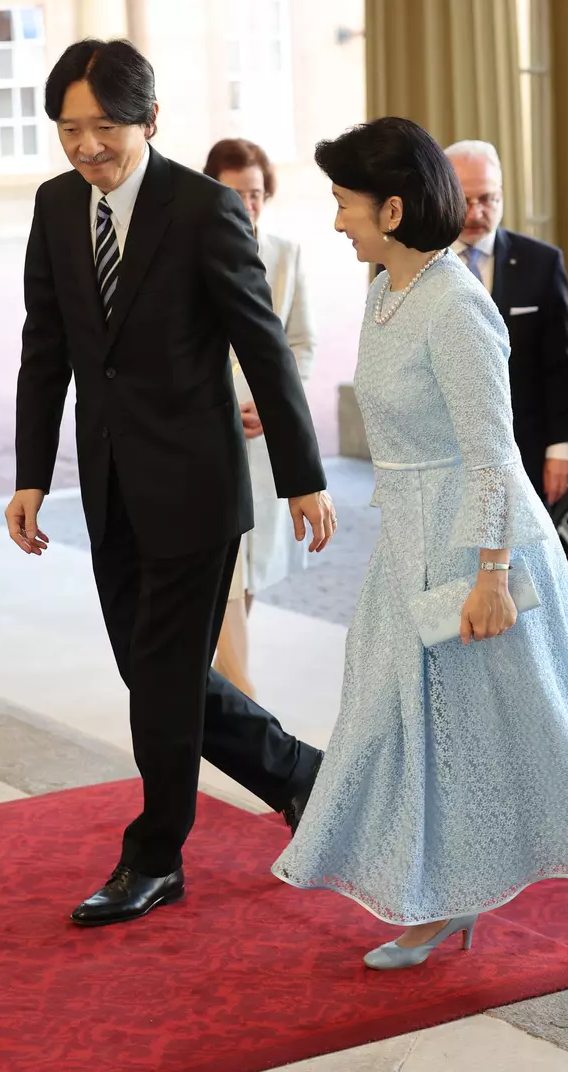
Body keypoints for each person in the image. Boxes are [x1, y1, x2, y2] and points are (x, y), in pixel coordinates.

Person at [273, 117, 568, 972]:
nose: (337, 221)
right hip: (408, 533)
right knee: (405, 726)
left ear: (395, 208)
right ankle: (442, 901)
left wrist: (490, 573)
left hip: (480, 548)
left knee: (536, 729)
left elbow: (494, 449)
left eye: (346, 204)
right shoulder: (385, 289)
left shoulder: (455, 304)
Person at [5, 39, 336, 927]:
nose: (85, 148)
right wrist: (31, 474)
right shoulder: (54, 205)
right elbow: (47, 350)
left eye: (103, 128)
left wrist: (303, 478)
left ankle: (154, 854)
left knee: (159, 673)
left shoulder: (202, 208)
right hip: (109, 485)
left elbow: (263, 344)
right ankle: (300, 773)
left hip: (194, 484)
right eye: (70, 130)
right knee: (153, 669)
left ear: (150, 120)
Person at [203, 138, 317, 699]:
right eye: (235, 194)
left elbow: (302, 344)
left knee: (249, 570)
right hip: (207, 437)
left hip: (263, 437)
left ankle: (217, 688)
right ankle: (244, 697)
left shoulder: (285, 253)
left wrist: (275, 406)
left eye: (255, 194)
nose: (247, 205)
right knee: (225, 568)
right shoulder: (191, 253)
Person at [443, 140, 568, 505]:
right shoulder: (413, 264)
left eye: (487, 199)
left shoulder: (542, 263)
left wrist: (563, 443)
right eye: (463, 200)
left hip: (523, 447)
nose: (475, 214)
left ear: (502, 195)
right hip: (443, 455)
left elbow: (559, 363)